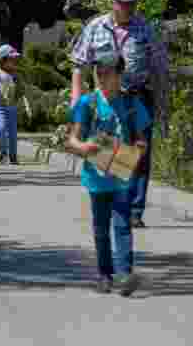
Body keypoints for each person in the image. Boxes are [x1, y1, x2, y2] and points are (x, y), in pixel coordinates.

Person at [70, 0, 168, 228]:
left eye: (132, 4)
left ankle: (134, 209)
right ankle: (112, 199)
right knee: (107, 147)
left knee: (139, 150)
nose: (129, 8)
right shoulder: (95, 27)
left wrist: (161, 98)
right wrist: (76, 96)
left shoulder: (144, 28)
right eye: (124, 4)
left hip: (136, 96)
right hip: (105, 96)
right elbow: (80, 64)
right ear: (113, 4)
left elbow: (159, 66)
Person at [65, 49, 149, 297]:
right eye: (98, 73)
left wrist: (138, 151)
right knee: (101, 227)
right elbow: (72, 140)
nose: (101, 78)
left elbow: (142, 140)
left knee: (123, 225)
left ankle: (125, 275)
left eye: (107, 73)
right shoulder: (87, 103)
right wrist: (84, 147)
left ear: (120, 74)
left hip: (122, 174)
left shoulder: (132, 104)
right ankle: (104, 274)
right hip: (96, 177)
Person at [0, 44, 23, 165]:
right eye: (12, 59)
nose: (15, 61)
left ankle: (13, 154)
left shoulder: (16, 74)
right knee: (1, 128)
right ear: (2, 60)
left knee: (13, 133)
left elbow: (20, 89)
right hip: (0, 107)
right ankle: (3, 151)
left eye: (15, 59)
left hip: (13, 108)